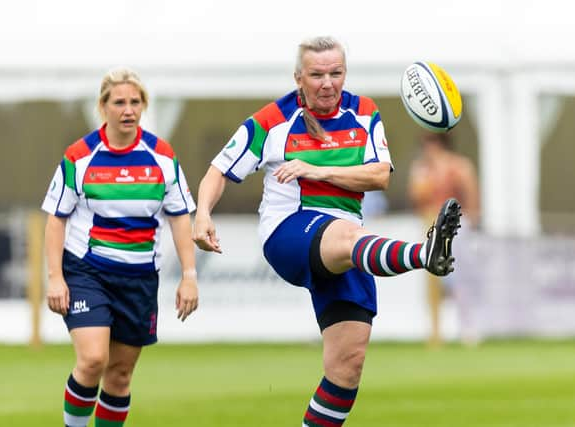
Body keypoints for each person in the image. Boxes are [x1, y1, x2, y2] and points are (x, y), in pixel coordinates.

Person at [193, 36, 461, 426]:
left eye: (335, 73)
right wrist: (202, 215)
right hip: (289, 232)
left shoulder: (364, 112)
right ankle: (425, 254)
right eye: (317, 75)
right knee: (346, 237)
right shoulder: (273, 120)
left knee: (346, 367)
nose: (327, 83)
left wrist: (319, 170)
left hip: (347, 242)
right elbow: (219, 169)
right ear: (299, 77)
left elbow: (379, 175)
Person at [42, 67, 198, 427]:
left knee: (120, 376)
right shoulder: (80, 156)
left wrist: (189, 275)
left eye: (135, 102)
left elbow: (179, 217)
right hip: (87, 272)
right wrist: (55, 277)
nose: (128, 110)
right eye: (119, 102)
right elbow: (56, 218)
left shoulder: (161, 156)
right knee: (93, 361)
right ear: (103, 107)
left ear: (144, 105)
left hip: (140, 277)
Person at [407, 131, 480, 347]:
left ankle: (468, 329)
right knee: (432, 280)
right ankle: (435, 333)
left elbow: (469, 193)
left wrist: (471, 221)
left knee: (459, 278)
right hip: (430, 220)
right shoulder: (422, 169)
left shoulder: (458, 166)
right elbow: (416, 197)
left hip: (454, 222)